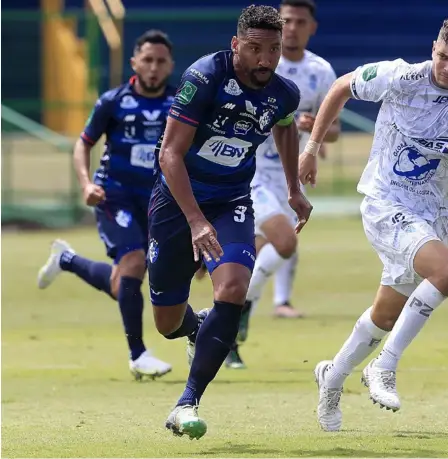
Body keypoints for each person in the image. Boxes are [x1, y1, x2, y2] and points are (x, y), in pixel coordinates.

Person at [298, 17, 448, 432]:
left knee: (386, 314)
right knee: (447, 271)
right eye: (444, 57)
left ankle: (332, 377)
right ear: (434, 47)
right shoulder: (400, 77)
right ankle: (385, 367)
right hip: (385, 202)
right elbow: (342, 85)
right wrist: (312, 147)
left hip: (434, 214)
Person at [147, 5, 312, 439]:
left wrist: (294, 189)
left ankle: (186, 402)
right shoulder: (205, 77)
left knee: (234, 288)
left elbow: (286, 127)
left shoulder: (284, 93)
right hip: (176, 203)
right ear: (236, 44)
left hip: (232, 201)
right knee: (166, 323)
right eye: (255, 49)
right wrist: (196, 221)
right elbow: (169, 154)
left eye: (273, 50)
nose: (265, 60)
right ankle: (198, 329)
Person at [37, 30, 176, 380]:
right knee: (133, 263)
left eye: (161, 61)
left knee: (125, 282)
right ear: (134, 63)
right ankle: (138, 354)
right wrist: (86, 183)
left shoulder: (180, 104)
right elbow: (83, 144)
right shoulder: (113, 102)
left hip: (158, 200)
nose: (154, 67)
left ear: (170, 64)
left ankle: (67, 260)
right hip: (114, 193)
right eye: (147, 60)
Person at [222, 0, 340, 369]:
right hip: (253, 171)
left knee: (255, 258)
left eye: (299, 21)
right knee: (285, 243)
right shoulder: (259, 60)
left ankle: (230, 321)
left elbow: (333, 129)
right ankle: (232, 315)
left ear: (311, 28)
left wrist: (314, 132)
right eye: (286, 20)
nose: (291, 27)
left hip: (289, 174)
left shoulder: (320, 72)